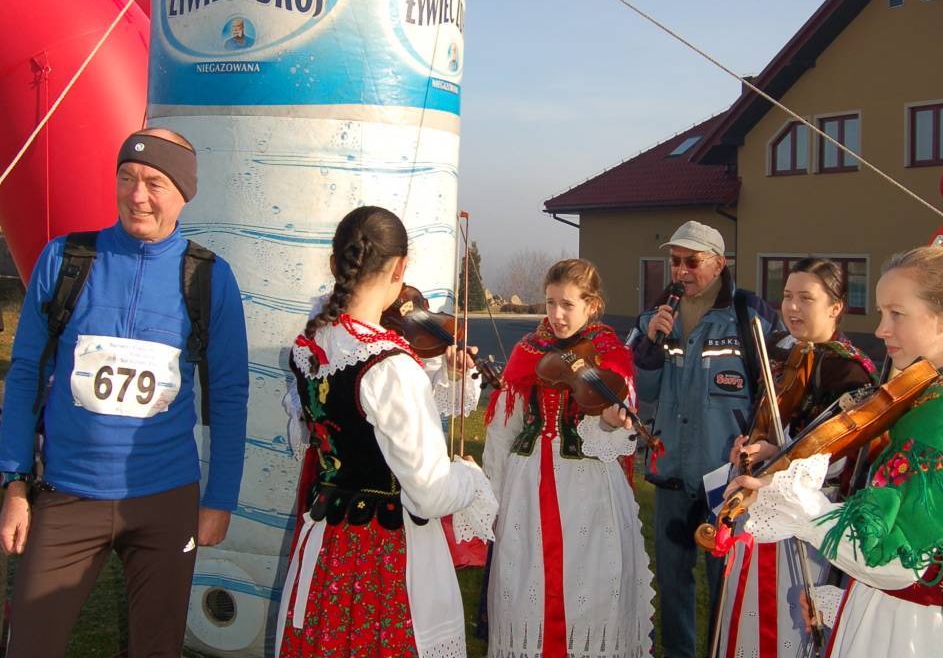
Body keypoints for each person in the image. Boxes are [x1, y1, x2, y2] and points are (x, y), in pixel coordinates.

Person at [0, 128, 249, 658]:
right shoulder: (66, 260)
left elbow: (229, 394)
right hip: (67, 493)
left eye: (154, 183)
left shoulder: (209, 278)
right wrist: (15, 484)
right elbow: (24, 376)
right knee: (30, 645)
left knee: (156, 648)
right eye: (127, 178)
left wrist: (220, 499)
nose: (137, 195)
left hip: (164, 498)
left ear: (184, 192)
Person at [734, 246, 943, 657]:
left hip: (916, 634)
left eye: (897, 314)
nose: (882, 329)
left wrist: (795, 504)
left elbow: (897, 561)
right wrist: (841, 602)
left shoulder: (941, 414)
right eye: (881, 313)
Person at [276, 205, 497, 658]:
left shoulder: (310, 349)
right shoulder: (389, 365)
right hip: (382, 554)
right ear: (400, 268)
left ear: (336, 263)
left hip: (327, 545)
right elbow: (430, 494)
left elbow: (340, 432)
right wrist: (471, 477)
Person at [483, 258, 654, 658]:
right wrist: (491, 494)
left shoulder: (611, 355)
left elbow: (618, 435)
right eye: (550, 303)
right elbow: (503, 429)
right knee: (524, 586)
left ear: (592, 305)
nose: (556, 315)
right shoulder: (528, 351)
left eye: (567, 305)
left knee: (589, 589)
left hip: (588, 491)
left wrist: (610, 424)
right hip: (527, 486)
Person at [630, 220, 781, 658]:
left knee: (725, 579)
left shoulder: (748, 313)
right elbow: (645, 394)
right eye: (675, 261)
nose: (681, 271)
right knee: (673, 580)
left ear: (718, 263)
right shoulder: (654, 318)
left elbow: (778, 389)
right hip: (671, 469)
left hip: (725, 477)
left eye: (691, 262)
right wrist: (651, 346)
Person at [716, 258, 876, 657]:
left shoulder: (849, 371)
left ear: (836, 307)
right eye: (787, 296)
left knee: (789, 622)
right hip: (759, 502)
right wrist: (749, 447)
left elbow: (845, 458)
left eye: (806, 298)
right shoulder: (778, 349)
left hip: (808, 519)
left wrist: (782, 455)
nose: (791, 307)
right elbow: (765, 420)